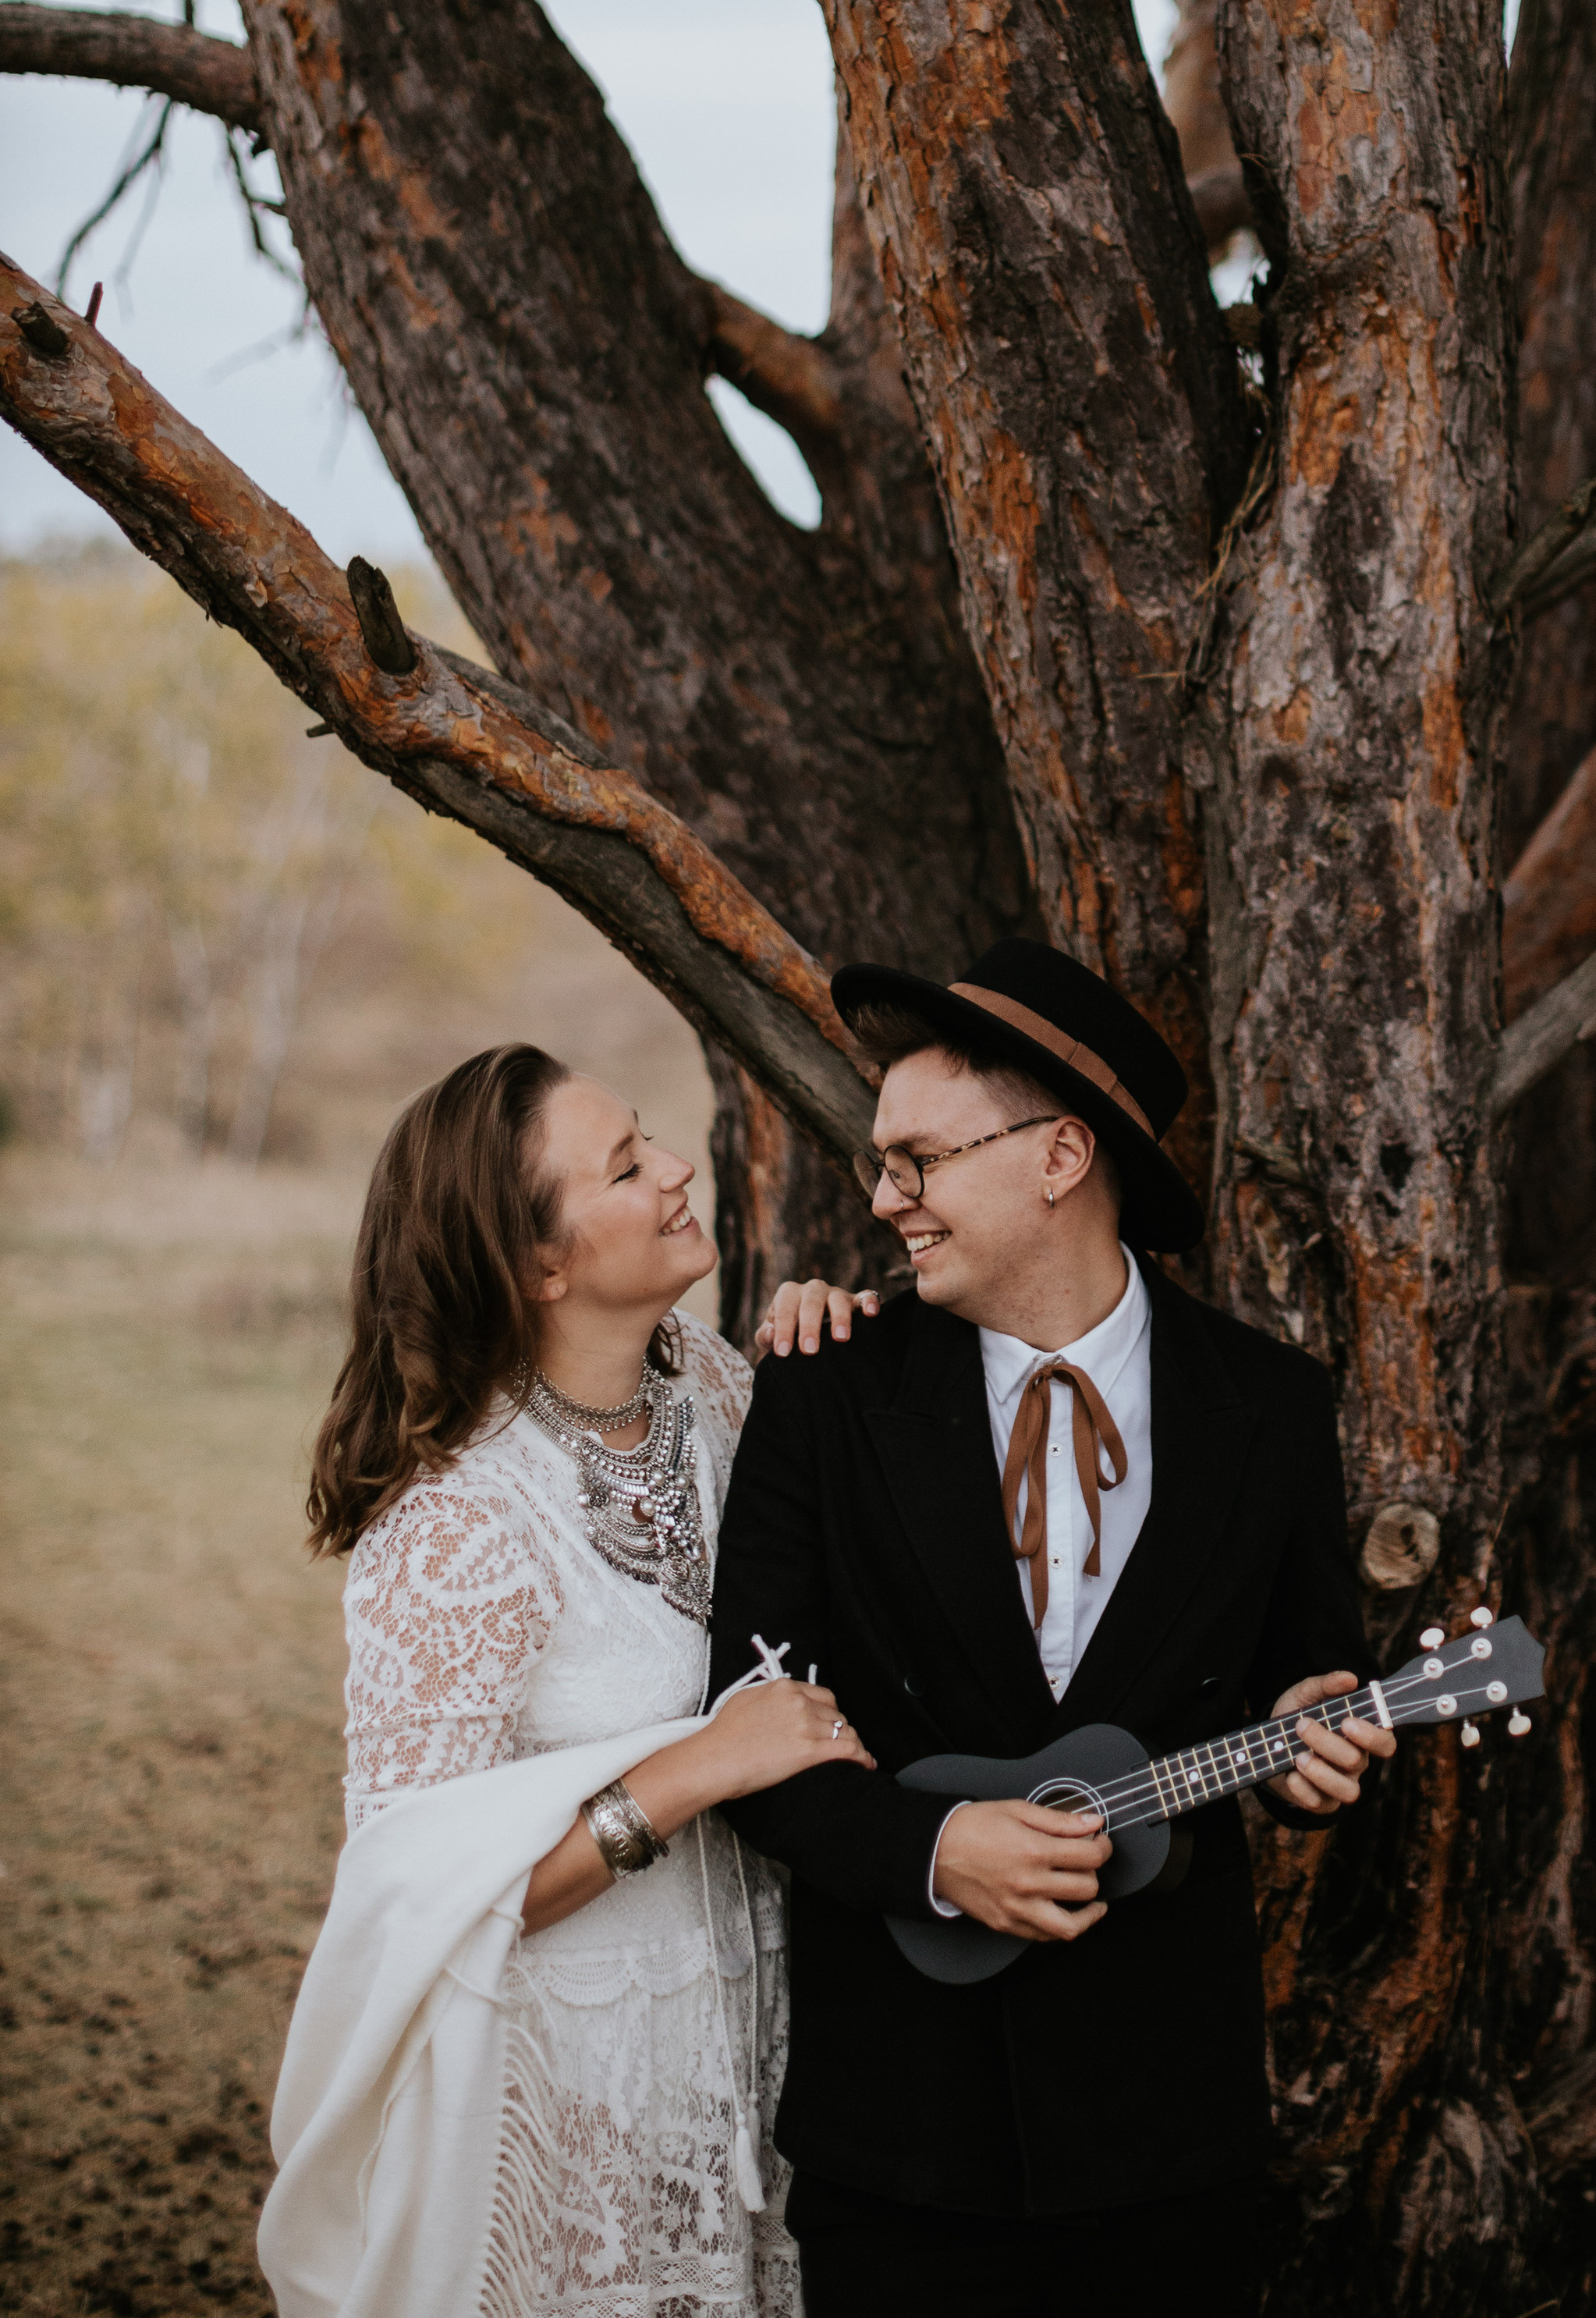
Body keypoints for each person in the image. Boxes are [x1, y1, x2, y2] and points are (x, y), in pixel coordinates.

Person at [710, 939, 1393, 2316]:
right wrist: (931, 1851)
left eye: (920, 1161)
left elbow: (1304, 1679)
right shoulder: (826, 1392)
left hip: (1164, 2122)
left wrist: (1317, 1748)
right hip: (900, 2123)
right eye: (882, 1164)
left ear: (1061, 1157)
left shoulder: (1271, 1407)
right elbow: (745, 1728)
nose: (884, 1198)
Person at [258, 1044, 873, 2318]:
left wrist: (838, 1356)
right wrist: (697, 1769)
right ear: (539, 1265)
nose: (679, 1167)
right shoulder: (459, 1524)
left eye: (651, 1140)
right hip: (586, 2086)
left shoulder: (714, 1387)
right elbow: (420, 1905)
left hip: (760, 2049)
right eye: (627, 1167)